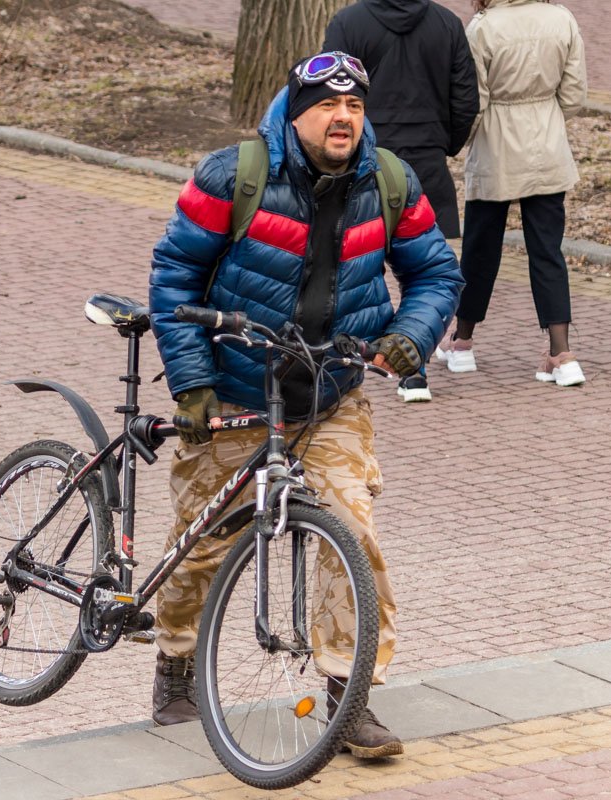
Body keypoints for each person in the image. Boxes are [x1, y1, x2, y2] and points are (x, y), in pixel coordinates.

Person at [148, 51, 463, 759]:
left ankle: (349, 700)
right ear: (296, 114)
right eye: (328, 105)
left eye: (354, 106)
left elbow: (435, 271)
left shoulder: (389, 181)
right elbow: (175, 274)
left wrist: (412, 335)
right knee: (203, 544)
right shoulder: (234, 176)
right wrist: (191, 381)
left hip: (330, 394)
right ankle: (174, 659)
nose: (344, 117)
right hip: (235, 388)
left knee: (350, 532)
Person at [324, 0, 479, 403]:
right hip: (426, 159)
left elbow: (330, 92)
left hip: (364, 160)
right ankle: (413, 369)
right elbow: (466, 98)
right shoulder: (447, 23)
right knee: (425, 271)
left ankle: (337, 359)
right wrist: (444, 144)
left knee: (355, 263)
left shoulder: (349, 22)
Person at [439, 0, 587, 386]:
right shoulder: (562, 19)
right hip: (547, 145)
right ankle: (562, 353)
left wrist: (457, 142)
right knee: (547, 250)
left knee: (479, 248)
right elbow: (573, 96)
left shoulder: (484, 28)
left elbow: (475, 100)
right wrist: (545, 117)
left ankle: (463, 342)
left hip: (496, 145)